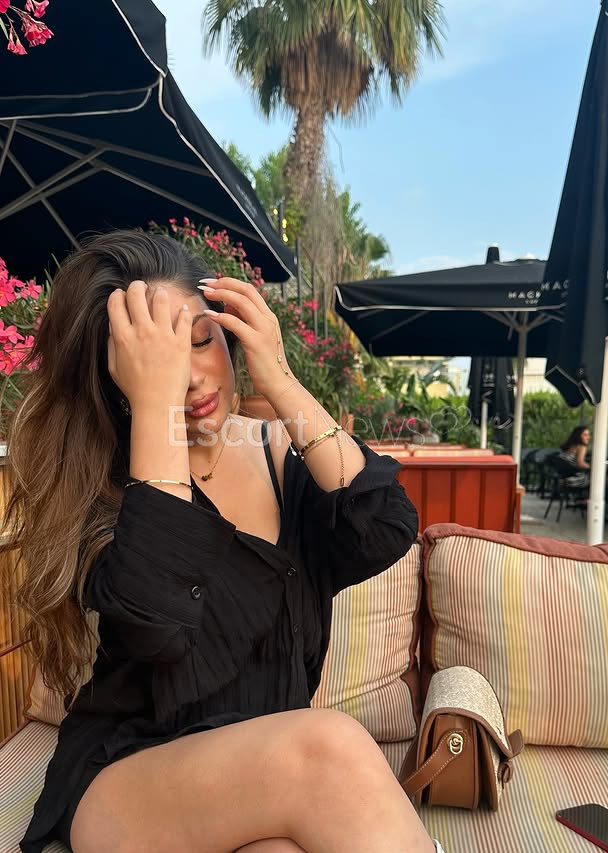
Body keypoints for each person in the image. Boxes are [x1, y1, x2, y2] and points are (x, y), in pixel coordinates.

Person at [5, 231, 442, 853]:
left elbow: (386, 529)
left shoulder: (279, 454)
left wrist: (281, 380)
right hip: (130, 782)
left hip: (256, 780)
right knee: (331, 744)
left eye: (199, 340)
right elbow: (158, 628)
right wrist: (156, 411)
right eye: (156, 363)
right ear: (116, 381)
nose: (188, 378)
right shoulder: (104, 488)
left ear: (229, 333)